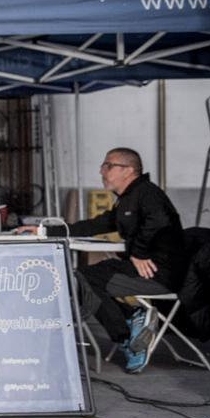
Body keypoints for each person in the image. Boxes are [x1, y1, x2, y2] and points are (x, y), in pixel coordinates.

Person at [18, 147, 186, 373]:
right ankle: (132, 321)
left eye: (108, 166)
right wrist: (45, 231)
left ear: (129, 170)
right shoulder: (126, 200)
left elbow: (159, 219)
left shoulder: (147, 193)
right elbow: (94, 225)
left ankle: (129, 336)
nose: (102, 171)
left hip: (158, 274)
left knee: (83, 281)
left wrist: (139, 252)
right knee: (84, 279)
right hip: (143, 270)